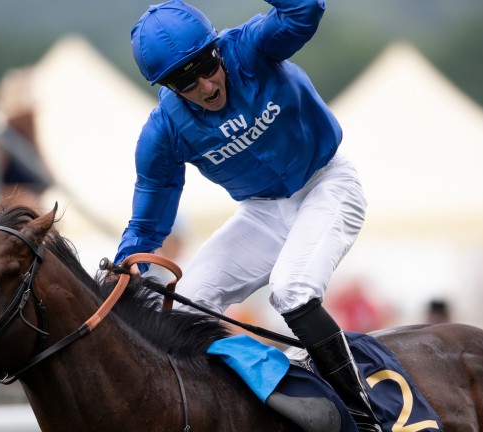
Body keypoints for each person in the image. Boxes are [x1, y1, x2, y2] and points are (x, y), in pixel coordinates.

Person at [114, 1, 378, 430]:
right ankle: (247, 405)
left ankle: (363, 416)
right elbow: (147, 225)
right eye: (184, 79)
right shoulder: (162, 132)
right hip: (262, 212)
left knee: (291, 291)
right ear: (166, 86)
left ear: (217, 48)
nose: (205, 84)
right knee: (185, 308)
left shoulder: (251, 48)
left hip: (327, 183)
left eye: (205, 64)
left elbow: (304, 11)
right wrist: (123, 272)